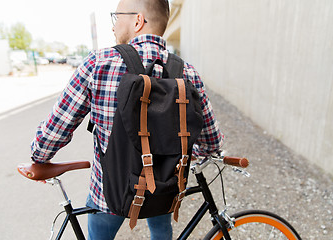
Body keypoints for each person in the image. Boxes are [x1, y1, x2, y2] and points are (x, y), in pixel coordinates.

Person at [30, 0, 224, 239]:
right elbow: (212, 142)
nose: (113, 26)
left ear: (137, 20)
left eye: (116, 16)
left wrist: (39, 158)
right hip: (163, 186)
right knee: (161, 229)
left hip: (110, 192)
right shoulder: (188, 73)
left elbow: (57, 127)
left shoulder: (98, 63)